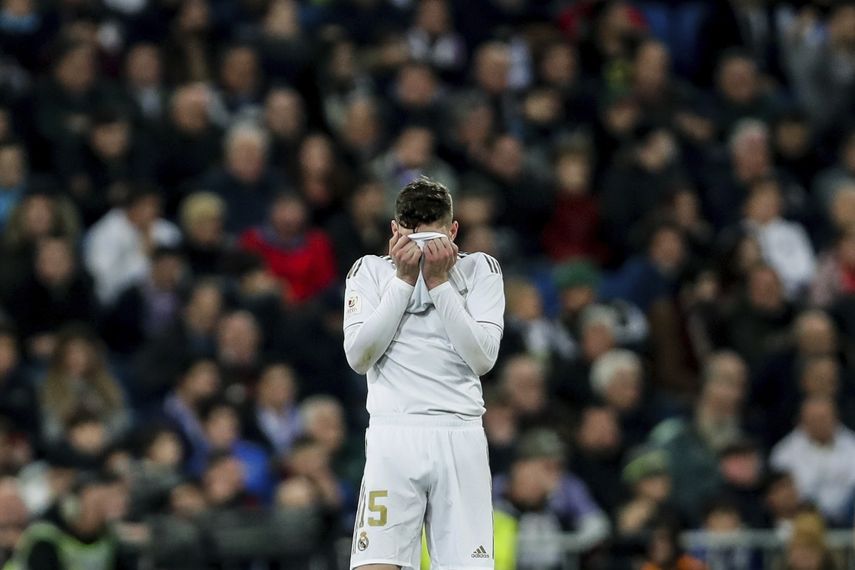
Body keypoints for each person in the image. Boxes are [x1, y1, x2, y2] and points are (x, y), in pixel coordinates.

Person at [343, 177, 504, 569]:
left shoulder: (481, 270)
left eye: (434, 240)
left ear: (453, 231)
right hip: (392, 435)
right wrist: (402, 282)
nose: (423, 251)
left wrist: (439, 284)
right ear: (395, 231)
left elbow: (483, 358)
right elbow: (358, 356)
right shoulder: (369, 272)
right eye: (413, 239)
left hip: (459, 432)